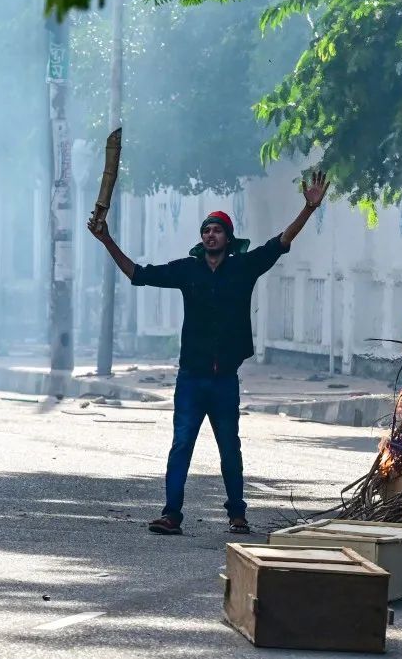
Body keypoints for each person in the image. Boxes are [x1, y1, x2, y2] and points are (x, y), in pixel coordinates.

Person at [88, 172, 329, 535]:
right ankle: (171, 514)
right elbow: (137, 273)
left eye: (216, 230)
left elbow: (280, 242)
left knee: (229, 448)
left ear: (228, 239)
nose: (210, 234)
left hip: (224, 380)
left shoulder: (244, 267)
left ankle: (237, 514)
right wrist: (106, 239)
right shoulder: (188, 270)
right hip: (191, 377)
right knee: (181, 444)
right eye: (206, 230)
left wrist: (308, 208)